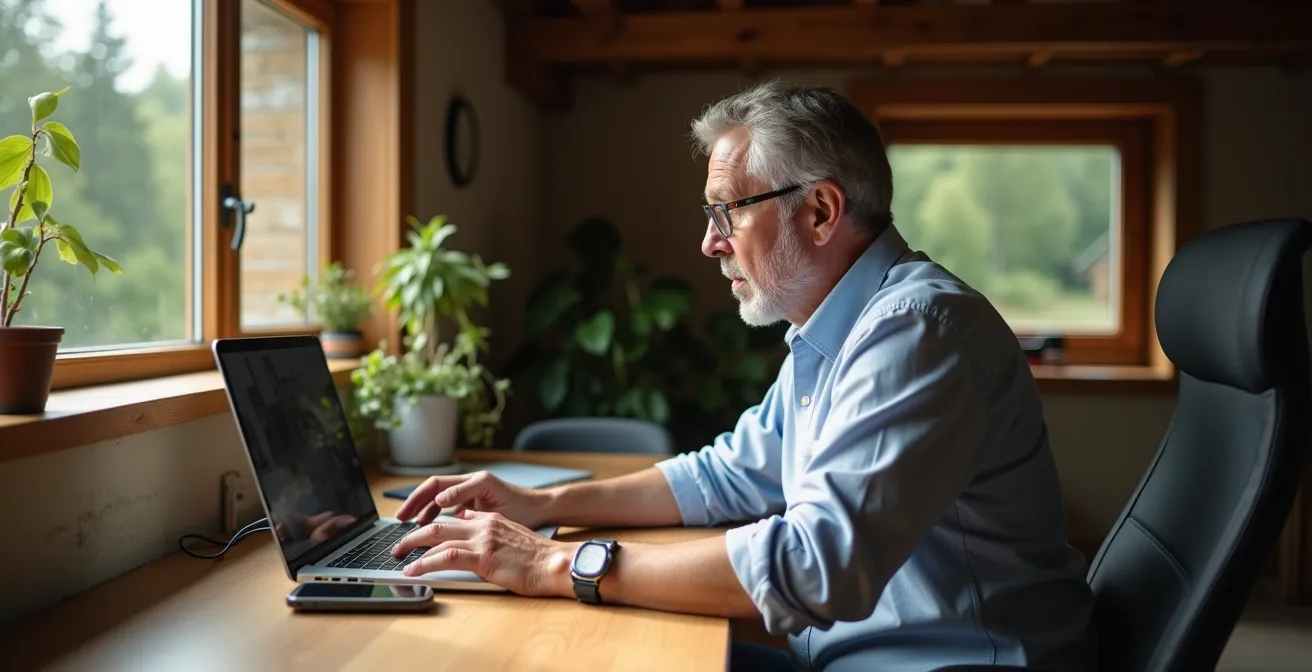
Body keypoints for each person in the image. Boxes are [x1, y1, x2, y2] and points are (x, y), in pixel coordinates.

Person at [390, 80, 1096, 671]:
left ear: (819, 211)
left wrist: (556, 564)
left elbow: (814, 566)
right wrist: (543, 508)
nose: (709, 241)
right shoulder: (839, 333)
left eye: (726, 211)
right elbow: (729, 476)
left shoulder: (917, 331)